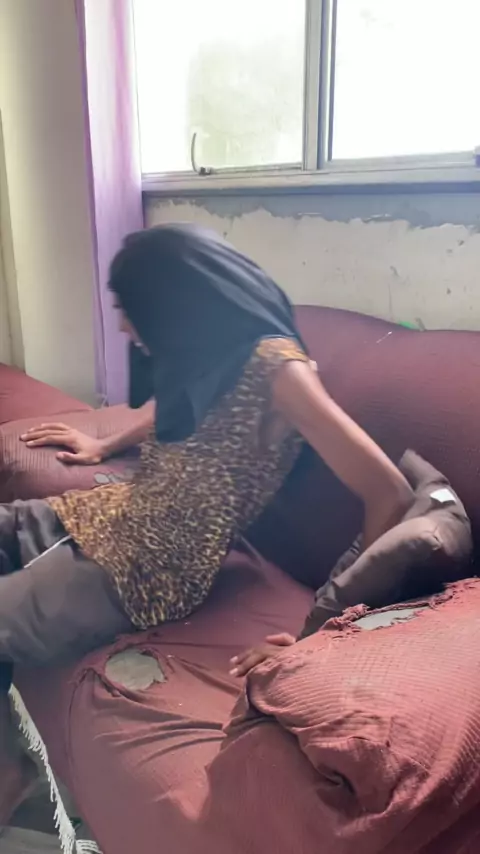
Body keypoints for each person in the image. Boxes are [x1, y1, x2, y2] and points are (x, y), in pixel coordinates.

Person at [0, 223, 413, 823]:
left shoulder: (278, 370)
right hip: (112, 514)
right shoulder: (215, 353)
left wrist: (329, 629)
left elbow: (389, 492)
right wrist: (104, 443)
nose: (124, 326)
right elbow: (180, 408)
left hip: (148, 570)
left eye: (129, 310)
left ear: (176, 304)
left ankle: (7, 773)